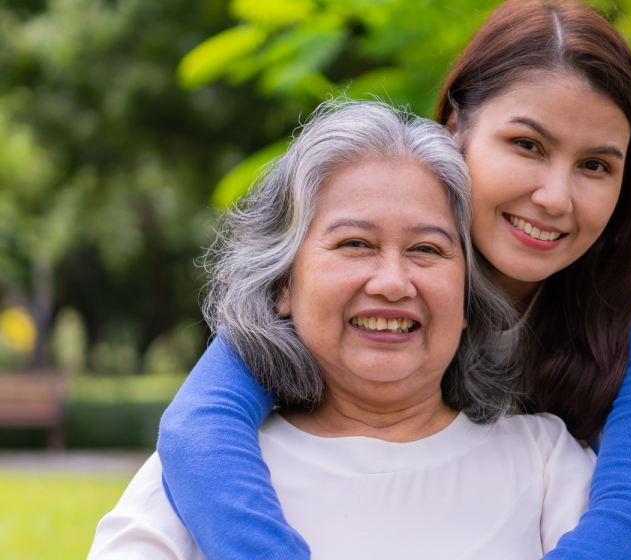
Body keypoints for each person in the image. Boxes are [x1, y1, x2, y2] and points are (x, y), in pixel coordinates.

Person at [158, 1, 631, 559]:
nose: (555, 198)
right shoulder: (364, 280)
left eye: (595, 166)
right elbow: (199, 430)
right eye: (527, 145)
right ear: (455, 127)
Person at [88, 101, 597, 560]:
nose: (394, 283)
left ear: (468, 297)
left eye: (427, 250)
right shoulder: (199, 474)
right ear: (284, 283)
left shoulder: (546, 463)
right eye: (355, 244)